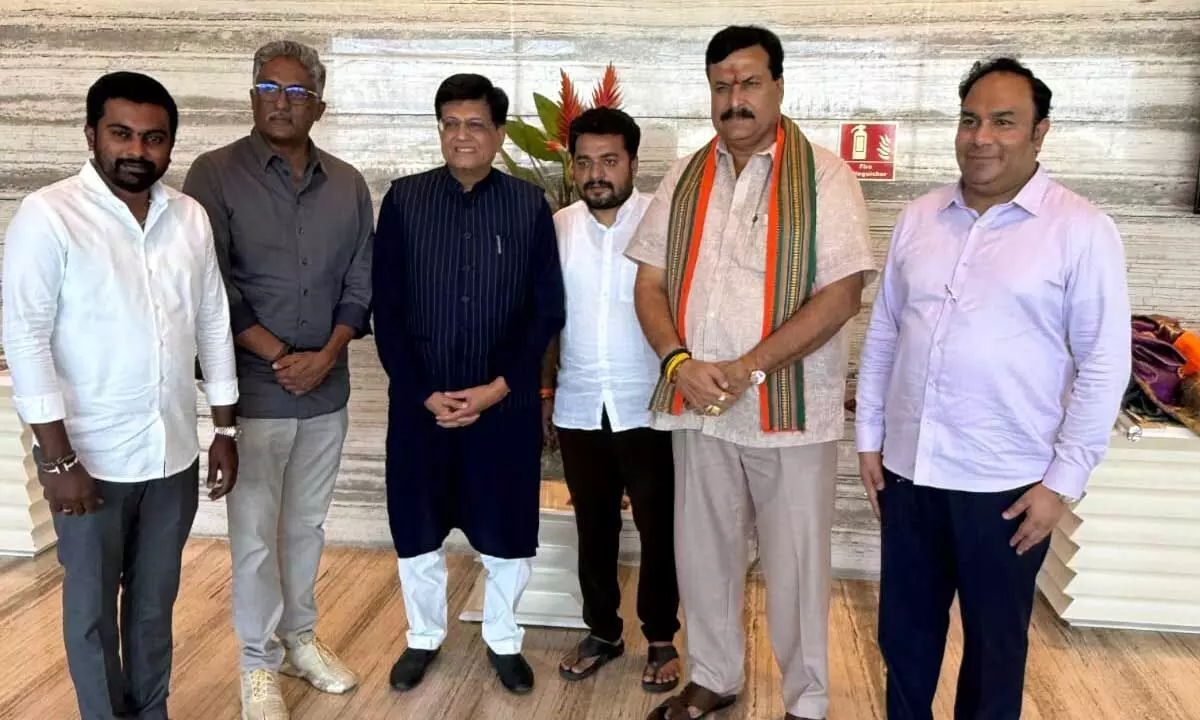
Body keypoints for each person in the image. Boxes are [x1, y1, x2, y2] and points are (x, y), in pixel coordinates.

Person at [854, 57, 1131, 720]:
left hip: (1007, 488)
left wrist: (1062, 483)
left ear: (1040, 134)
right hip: (911, 474)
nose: (981, 136)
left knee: (994, 652)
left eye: (1004, 122)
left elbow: (1103, 365)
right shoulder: (921, 218)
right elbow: (886, 333)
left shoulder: (1080, 230)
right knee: (905, 639)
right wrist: (870, 439)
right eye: (971, 119)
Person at [624, 25, 876, 720]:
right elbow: (649, 286)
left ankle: (808, 699)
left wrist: (746, 366)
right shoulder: (683, 176)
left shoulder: (824, 175)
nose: (734, 98)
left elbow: (842, 294)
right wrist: (679, 362)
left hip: (790, 411)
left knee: (797, 565)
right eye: (721, 85)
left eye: (749, 83)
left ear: (780, 88)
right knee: (702, 552)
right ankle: (713, 676)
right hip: (698, 403)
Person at [1, 71, 240, 720]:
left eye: (154, 138)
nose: (138, 150)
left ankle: (151, 710)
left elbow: (213, 320)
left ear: (170, 146)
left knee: (155, 602)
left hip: (172, 452)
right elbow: (24, 338)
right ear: (91, 134)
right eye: (121, 134)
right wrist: (56, 461)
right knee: (91, 610)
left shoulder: (187, 217)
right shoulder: (50, 215)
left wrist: (225, 429)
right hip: (89, 459)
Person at [182, 40, 372, 720]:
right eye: (269, 88)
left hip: (327, 389)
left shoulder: (348, 184)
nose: (282, 102)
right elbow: (212, 282)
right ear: (251, 94)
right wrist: (275, 353)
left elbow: (360, 279)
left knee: (307, 528)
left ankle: (300, 638)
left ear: (318, 104)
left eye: (296, 92)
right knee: (255, 534)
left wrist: (326, 353)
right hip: (255, 393)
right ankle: (256, 664)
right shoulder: (214, 175)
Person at [372, 73, 565, 696]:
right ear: (439, 130)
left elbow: (544, 310)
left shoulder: (529, 205)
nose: (462, 135)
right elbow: (388, 307)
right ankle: (423, 636)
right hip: (420, 404)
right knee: (417, 527)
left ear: (499, 134)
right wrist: (424, 390)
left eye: (475, 123)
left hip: (499, 405)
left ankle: (504, 640)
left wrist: (498, 388)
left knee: (506, 529)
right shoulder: (403, 200)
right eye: (450, 123)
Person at [545, 107, 681, 692]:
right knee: (592, 525)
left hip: (648, 403)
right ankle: (602, 630)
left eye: (609, 159)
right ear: (571, 166)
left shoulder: (663, 223)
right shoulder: (557, 227)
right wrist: (547, 391)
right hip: (579, 402)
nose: (596, 172)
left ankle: (660, 637)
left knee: (659, 527)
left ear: (632, 161)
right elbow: (547, 320)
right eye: (585, 161)